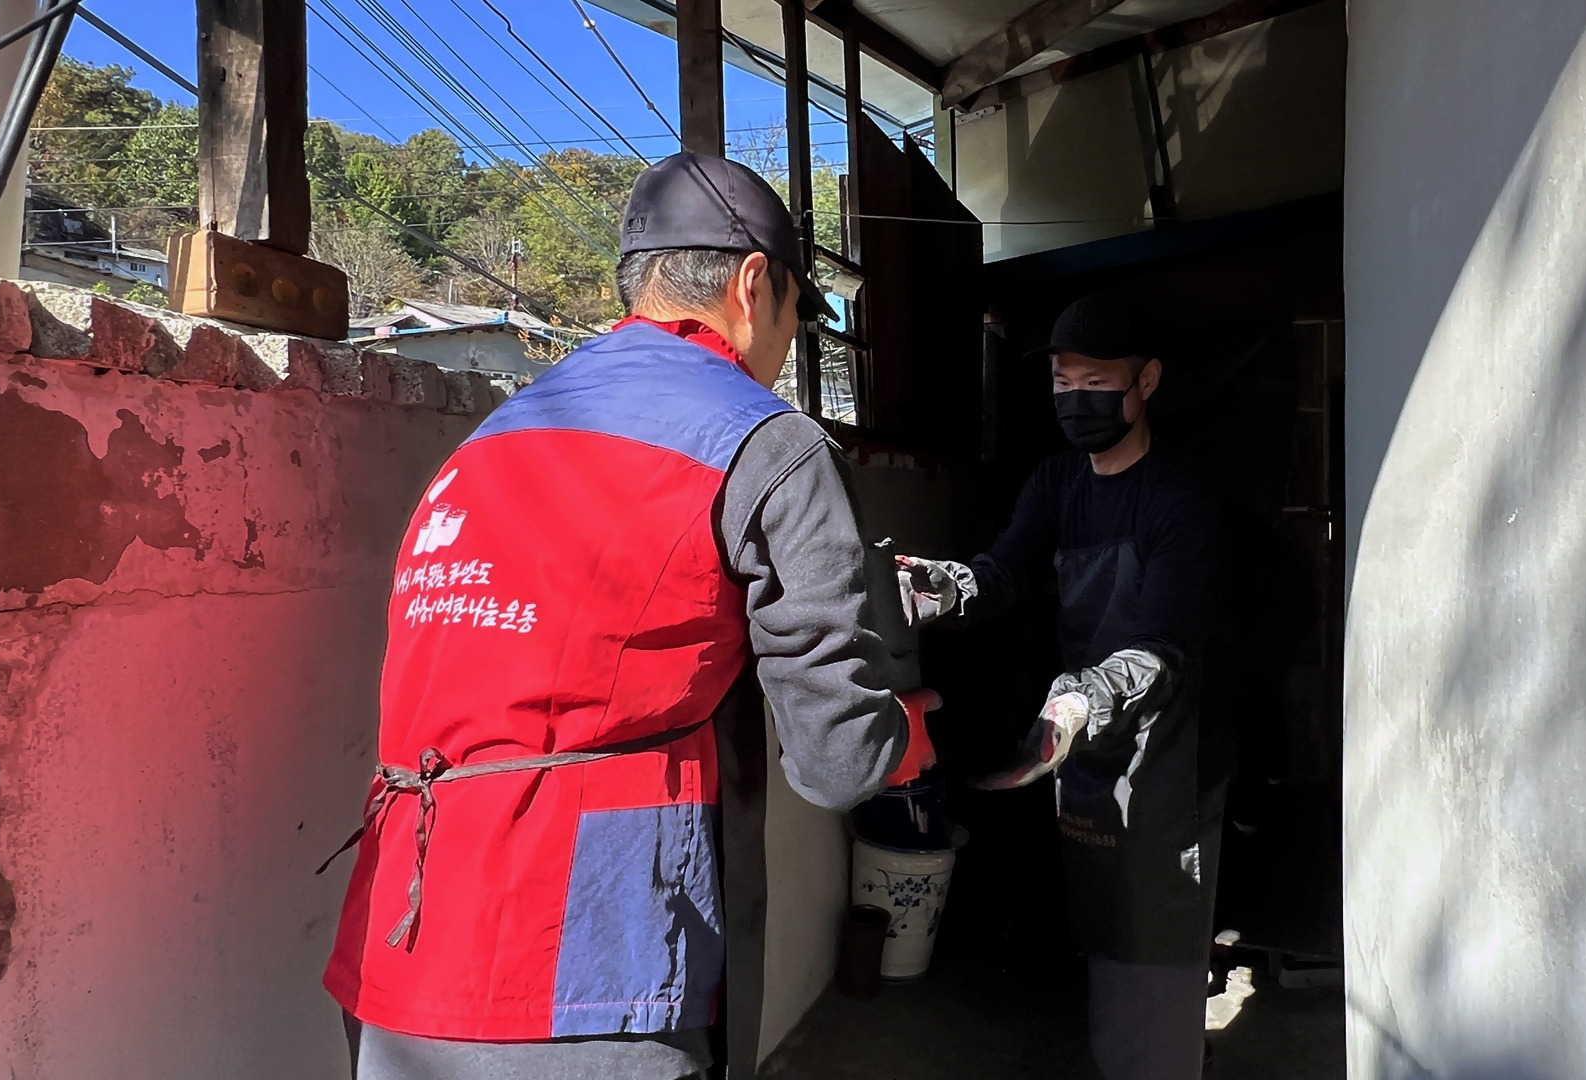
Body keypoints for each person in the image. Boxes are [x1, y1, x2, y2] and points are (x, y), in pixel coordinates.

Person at [320, 151, 939, 1080]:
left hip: (396, 946)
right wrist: (902, 733)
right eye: (794, 317)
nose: (783, 347)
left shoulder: (497, 435)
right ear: (753, 284)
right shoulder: (767, 442)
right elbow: (836, 759)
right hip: (585, 973)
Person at [899, 293, 1228, 1080]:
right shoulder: (1056, 483)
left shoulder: (1179, 498)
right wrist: (948, 587)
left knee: (1158, 946)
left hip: (1169, 753)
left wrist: (1083, 699)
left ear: (1146, 381)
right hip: (1082, 741)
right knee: (1106, 929)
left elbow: (1164, 649)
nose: (1076, 399)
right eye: (1062, 381)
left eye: (1096, 381)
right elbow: (1007, 570)